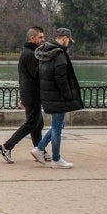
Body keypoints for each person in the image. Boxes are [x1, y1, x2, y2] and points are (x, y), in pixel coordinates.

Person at [30, 28, 83, 169]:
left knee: (58, 125)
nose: (69, 44)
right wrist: (68, 96)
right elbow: (61, 79)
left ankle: (40, 148)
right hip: (58, 97)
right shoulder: (59, 55)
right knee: (58, 128)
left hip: (49, 95)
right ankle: (56, 159)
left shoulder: (45, 52)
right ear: (65, 38)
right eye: (69, 41)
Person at [0, 27, 50, 163]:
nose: (43, 40)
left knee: (38, 124)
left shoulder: (28, 53)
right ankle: (7, 147)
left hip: (29, 94)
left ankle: (40, 151)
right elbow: (37, 76)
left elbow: (23, 78)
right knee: (32, 123)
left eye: (43, 37)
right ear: (32, 38)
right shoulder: (31, 54)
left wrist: (22, 96)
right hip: (32, 94)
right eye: (40, 37)